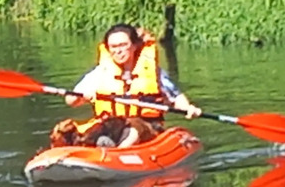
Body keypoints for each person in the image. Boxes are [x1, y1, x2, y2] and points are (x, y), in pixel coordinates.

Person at [52, 23, 201, 148]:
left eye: (123, 45)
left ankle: (117, 153)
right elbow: (71, 100)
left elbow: (175, 96)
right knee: (69, 130)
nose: (118, 51)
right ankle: (102, 146)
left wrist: (188, 108)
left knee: (133, 125)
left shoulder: (152, 71)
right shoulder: (100, 72)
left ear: (135, 45)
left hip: (146, 126)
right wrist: (84, 96)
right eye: (113, 47)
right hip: (112, 125)